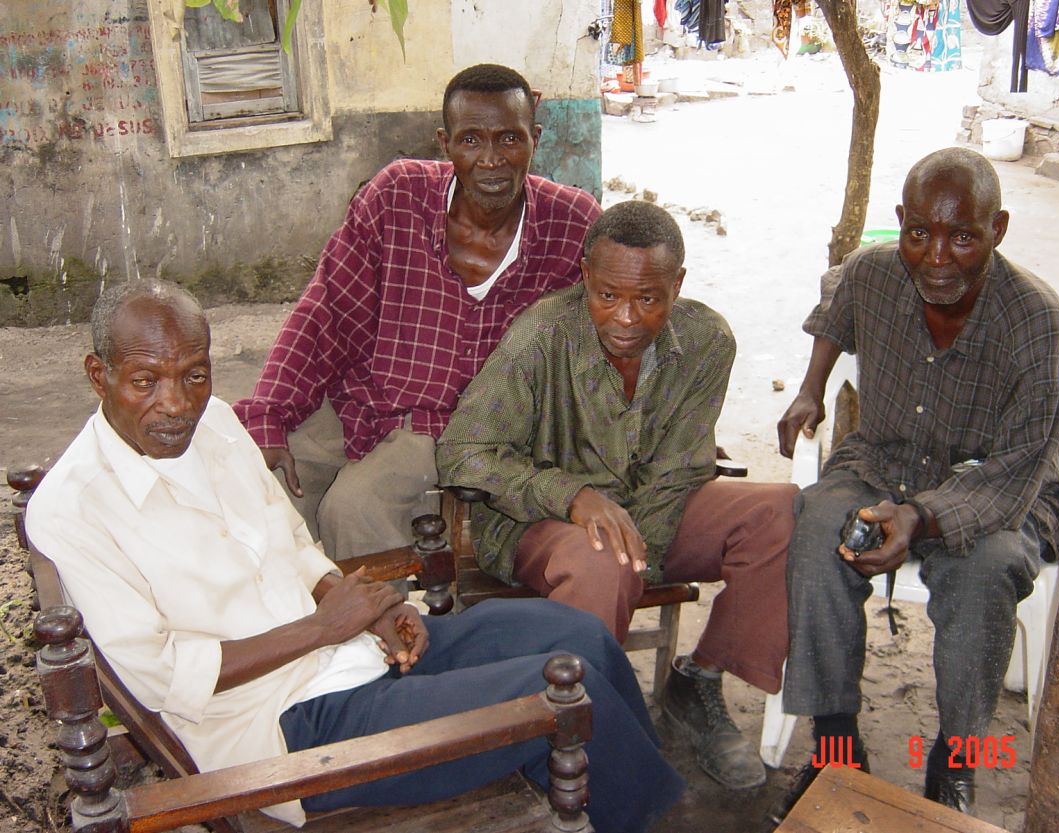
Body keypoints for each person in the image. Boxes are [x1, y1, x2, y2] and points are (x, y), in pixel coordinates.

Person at [25, 281, 684, 833]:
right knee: (562, 699)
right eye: (146, 380)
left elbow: (291, 541)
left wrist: (372, 609)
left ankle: (640, 805)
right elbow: (165, 679)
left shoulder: (217, 423)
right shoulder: (73, 508)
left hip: (349, 656)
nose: (175, 402)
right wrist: (324, 626)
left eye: (194, 375)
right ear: (98, 374)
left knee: (582, 637)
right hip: (283, 730)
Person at [437, 200, 798, 791]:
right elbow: (462, 452)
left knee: (780, 512)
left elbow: (682, 467)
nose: (625, 317)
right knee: (602, 556)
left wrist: (640, 548)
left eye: (648, 299)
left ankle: (697, 682)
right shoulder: (541, 336)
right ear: (585, 277)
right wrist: (573, 495)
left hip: (655, 513)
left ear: (677, 285)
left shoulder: (707, 342)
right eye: (608, 296)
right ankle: (574, 735)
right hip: (538, 524)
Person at [771, 147, 1059, 820]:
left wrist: (920, 518)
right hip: (883, 460)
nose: (938, 256)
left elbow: (1022, 466)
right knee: (818, 525)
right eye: (920, 233)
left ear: (998, 229)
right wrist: (810, 392)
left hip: (998, 485)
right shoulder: (872, 273)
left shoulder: (1035, 318)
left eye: (963, 236)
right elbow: (833, 319)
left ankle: (958, 758)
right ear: (901, 223)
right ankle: (836, 743)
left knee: (985, 570)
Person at [234, 64, 601, 561]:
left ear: (534, 139)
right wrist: (269, 415)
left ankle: (385, 634)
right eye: (471, 140)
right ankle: (288, 630)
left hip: (452, 427)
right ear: (444, 143)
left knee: (353, 509)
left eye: (509, 139)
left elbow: (609, 332)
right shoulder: (396, 196)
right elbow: (327, 314)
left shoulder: (574, 224)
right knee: (260, 487)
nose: (491, 160)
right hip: (361, 396)